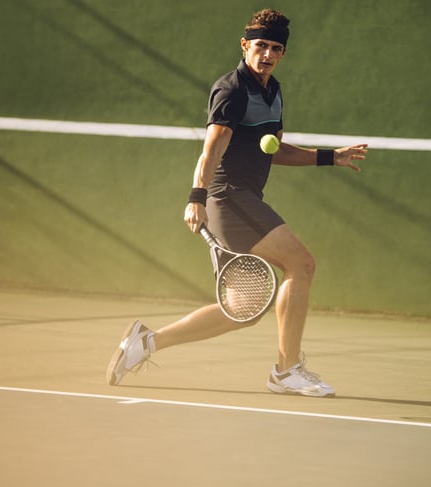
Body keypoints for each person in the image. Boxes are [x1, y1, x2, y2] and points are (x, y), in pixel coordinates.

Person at [106, 8, 367, 397]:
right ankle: (286, 371)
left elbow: (274, 151)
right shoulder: (232, 89)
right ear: (245, 45)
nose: (268, 54)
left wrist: (332, 157)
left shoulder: (273, 92)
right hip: (227, 197)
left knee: (243, 310)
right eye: (261, 45)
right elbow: (212, 148)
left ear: (283, 53)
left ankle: (146, 342)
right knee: (301, 264)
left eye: (276, 48)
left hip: (243, 198)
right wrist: (196, 197)